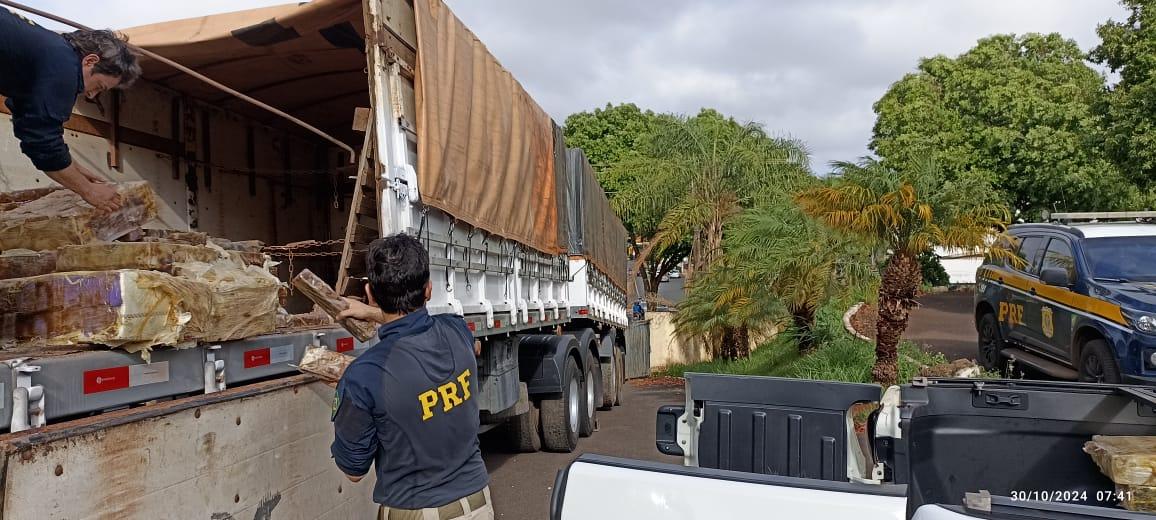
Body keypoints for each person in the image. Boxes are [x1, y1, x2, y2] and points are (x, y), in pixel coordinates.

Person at [333, 234, 492, 519]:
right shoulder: (457, 331)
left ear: (369, 292)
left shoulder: (363, 377)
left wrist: (350, 397)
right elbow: (420, 324)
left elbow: (353, 472)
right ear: (428, 289)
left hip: (418, 511)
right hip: (478, 505)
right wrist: (375, 313)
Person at [0, 8, 142, 212]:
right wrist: (88, 191)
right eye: (98, 86)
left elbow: (29, 121)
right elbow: (42, 140)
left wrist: (73, 167)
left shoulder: (47, 52)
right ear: (90, 61)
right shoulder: (63, 63)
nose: (91, 95)